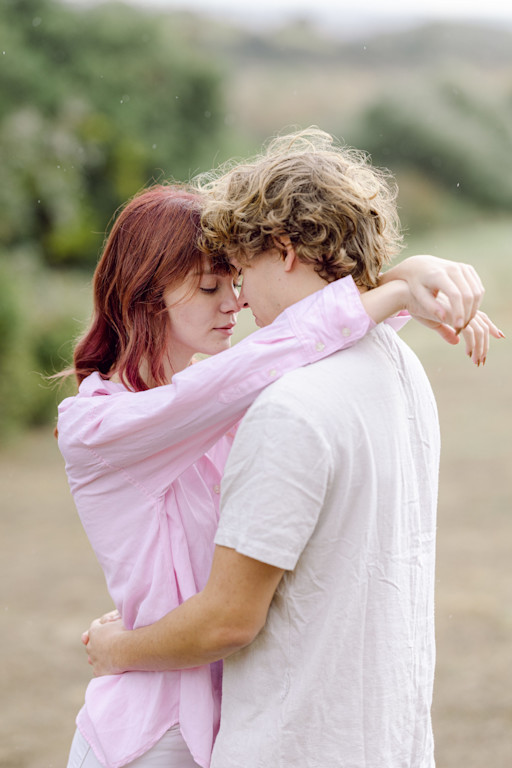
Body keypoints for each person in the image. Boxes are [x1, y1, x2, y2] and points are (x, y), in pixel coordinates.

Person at [81, 131, 502, 768]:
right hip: (150, 734)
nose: (237, 300)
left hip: (245, 728)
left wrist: (400, 284)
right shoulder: (111, 424)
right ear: (143, 293)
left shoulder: (267, 403)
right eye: (209, 286)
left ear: (280, 249)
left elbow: (286, 359)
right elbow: (263, 361)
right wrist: (393, 288)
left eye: (237, 275)